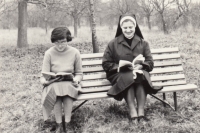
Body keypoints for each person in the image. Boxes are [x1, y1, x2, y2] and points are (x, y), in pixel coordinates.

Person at [102, 14, 162, 123]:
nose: (128, 30)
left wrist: (142, 65)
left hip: (139, 72)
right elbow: (106, 63)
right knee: (129, 76)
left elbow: (150, 62)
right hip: (118, 74)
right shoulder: (113, 43)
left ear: (135, 27)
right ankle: (133, 112)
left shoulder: (143, 43)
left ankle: (141, 112)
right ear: (121, 28)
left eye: (131, 27)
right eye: (125, 28)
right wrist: (119, 66)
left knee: (139, 76)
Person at [40, 27, 83, 132]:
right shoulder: (49, 53)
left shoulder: (75, 52)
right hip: (54, 83)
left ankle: (67, 124)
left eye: (63, 42)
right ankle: (59, 124)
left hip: (70, 83)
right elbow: (43, 75)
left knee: (67, 91)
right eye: (57, 42)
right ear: (53, 41)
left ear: (68, 39)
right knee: (56, 92)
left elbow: (79, 73)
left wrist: (76, 80)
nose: (60, 45)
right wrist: (44, 81)